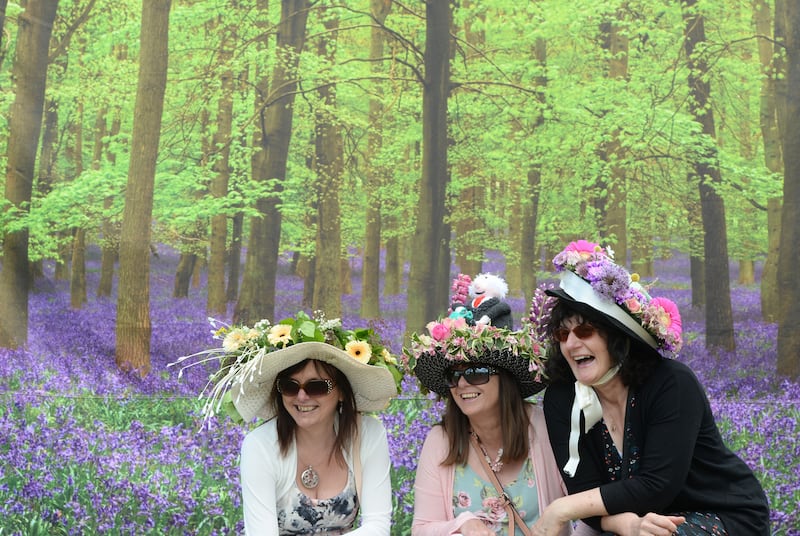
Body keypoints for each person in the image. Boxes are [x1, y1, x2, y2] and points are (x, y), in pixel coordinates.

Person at [531, 240, 770, 536]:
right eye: (563, 333)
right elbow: (585, 494)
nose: (571, 343)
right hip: (639, 521)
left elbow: (657, 485)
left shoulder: (671, 383)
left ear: (617, 336)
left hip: (721, 513)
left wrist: (560, 509)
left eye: (585, 330)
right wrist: (628, 524)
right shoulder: (562, 397)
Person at [178, 311, 401, 535]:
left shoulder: (367, 434)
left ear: (342, 392)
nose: (302, 397)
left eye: (317, 387)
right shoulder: (260, 446)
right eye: (290, 386)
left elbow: (378, 527)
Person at [404, 317, 596, 536]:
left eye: (477, 373)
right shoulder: (442, 439)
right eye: (453, 375)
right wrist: (461, 525)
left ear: (504, 379)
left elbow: (589, 508)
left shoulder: (542, 426)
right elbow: (422, 529)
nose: (463, 384)